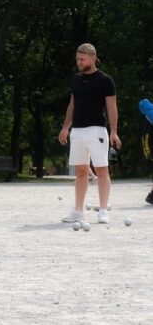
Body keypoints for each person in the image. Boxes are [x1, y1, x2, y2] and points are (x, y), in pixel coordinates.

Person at [59, 43, 121, 224]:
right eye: (77, 59)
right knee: (81, 172)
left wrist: (114, 132)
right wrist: (65, 128)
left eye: (82, 59)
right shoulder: (76, 79)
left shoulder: (105, 80)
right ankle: (78, 210)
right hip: (77, 131)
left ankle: (103, 210)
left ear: (92, 58)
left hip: (97, 130)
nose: (79, 62)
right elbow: (72, 105)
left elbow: (112, 108)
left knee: (102, 171)